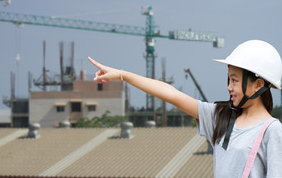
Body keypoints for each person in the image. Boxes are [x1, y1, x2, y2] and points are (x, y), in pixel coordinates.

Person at [88, 40, 282, 178]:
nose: (229, 87)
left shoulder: (272, 131)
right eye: (228, 79)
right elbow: (172, 94)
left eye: (235, 80)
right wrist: (123, 75)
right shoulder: (221, 118)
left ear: (258, 84)